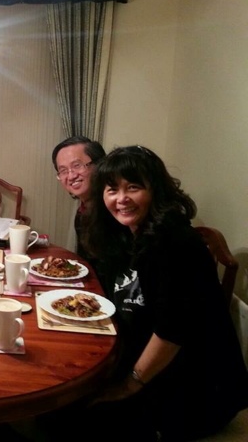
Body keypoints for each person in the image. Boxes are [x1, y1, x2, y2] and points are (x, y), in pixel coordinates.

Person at [76, 145, 248, 441]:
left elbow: (172, 332)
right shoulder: (127, 234)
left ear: (156, 189)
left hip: (195, 387)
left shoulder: (174, 243)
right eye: (112, 189)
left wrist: (129, 384)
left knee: (76, 419)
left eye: (133, 187)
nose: (121, 198)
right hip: (152, 363)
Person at [51, 136, 106, 259]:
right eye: (63, 171)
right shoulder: (82, 212)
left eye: (77, 165)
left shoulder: (115, 211)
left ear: (99, 165)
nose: (71, 176)